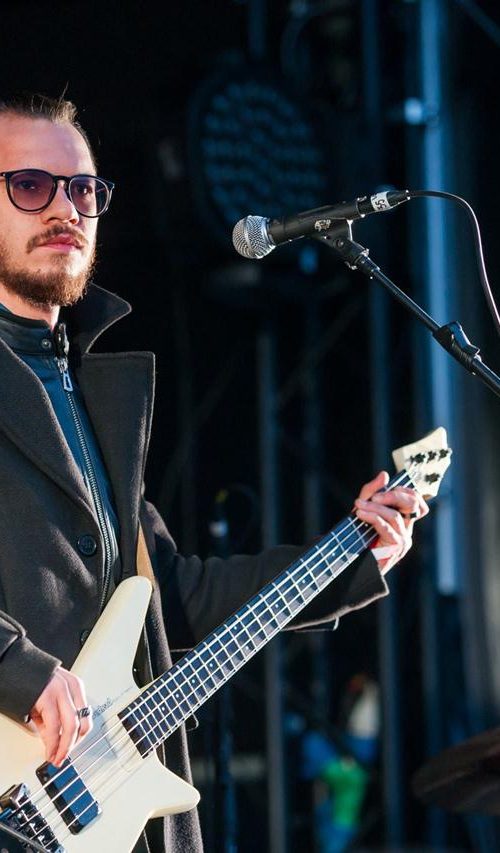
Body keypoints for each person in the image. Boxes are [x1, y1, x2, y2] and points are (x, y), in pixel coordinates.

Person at [0, 93, 428, 853]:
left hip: (100, 817)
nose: (66, 209)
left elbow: (180, 600)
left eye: (84, 189)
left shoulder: (91, 396)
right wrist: (16, 666)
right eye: (31, 185)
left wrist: (351, 553)